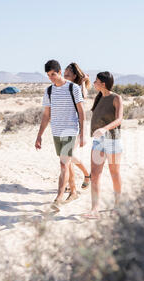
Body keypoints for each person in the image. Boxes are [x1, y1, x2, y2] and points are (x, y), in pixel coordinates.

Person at [35, 60, 85, 211]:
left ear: (60, 71)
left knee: (63, 164)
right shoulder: (49, 91)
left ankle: (58, 198)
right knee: (66, 163)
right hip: (56, 132)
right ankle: (74, 191)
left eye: (53, 74)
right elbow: (46, 115)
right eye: (49, 75)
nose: (51, 78)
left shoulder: (73, 88)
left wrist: (83, 133)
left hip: (71, 130)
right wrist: (39, 136)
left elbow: (81, 113)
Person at [82, 71, 123, 219]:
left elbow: (119, 119)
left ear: (103, 83)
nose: (94, 83)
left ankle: (118, 206)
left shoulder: (116, 98)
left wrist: (104, 129)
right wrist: (84, 81)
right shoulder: (99, 97)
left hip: (113, 140)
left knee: (114, 173)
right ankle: (94, 209)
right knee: (95, 176)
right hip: (98, 142)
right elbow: (83, 94)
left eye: (96, 81)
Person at [63, 63, 92, 191]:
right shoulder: (64, 87)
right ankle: (71, 183)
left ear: (75, 76)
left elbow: (83, 99)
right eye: (64, 72)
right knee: (66, 156)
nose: (65, 74)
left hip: (76, 126)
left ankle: (87, 174)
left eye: (68, 72)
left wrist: (83, 133)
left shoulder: (78, 88)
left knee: (67, 155)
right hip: (64, 126)